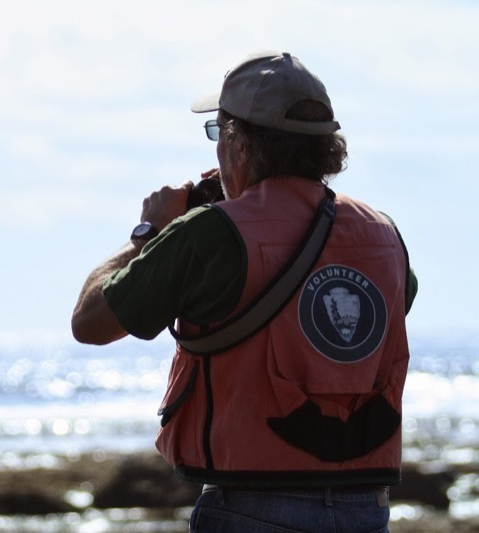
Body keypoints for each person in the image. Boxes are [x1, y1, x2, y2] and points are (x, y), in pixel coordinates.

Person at [72, 51, 417, 532]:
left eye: (218, 131)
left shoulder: (209, 234)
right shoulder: (383, 234)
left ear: (239, 144)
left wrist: (149, 231)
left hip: (249, 506)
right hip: (366, 506)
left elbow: (90, 321)